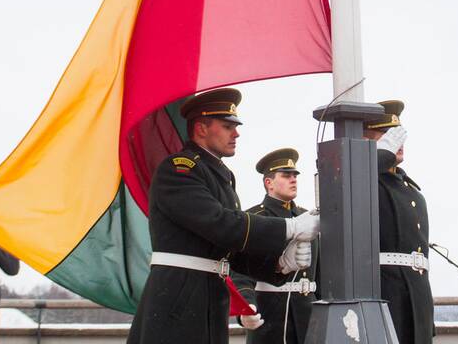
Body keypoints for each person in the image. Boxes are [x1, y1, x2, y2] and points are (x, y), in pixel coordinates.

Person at [126, 88, 318, 344]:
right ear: (202, 128)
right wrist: (289, 227)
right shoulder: (180, 169)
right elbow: (220, 225)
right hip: (179, 296)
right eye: (228, 126)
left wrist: (280, 264)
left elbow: (231, 250)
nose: (236, 133)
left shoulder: (220, 176)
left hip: (206, 296)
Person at [361, 100, 434, 344]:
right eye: (385, 133)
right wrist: (377, 156)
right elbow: (350, 180)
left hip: (416, 297)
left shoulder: (412, 191)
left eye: (397, 133)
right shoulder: (367, 180)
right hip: (386, 293)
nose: (396, 140)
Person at [232, 148, 319, 344]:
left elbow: (319, 271)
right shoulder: (254, 219)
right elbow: (240, 273)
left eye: (295, 175)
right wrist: (246, 308)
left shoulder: (309, 219)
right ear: (268, 183)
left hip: (309, 315)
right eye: (286, 175)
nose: (293, 179)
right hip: (271, 316)